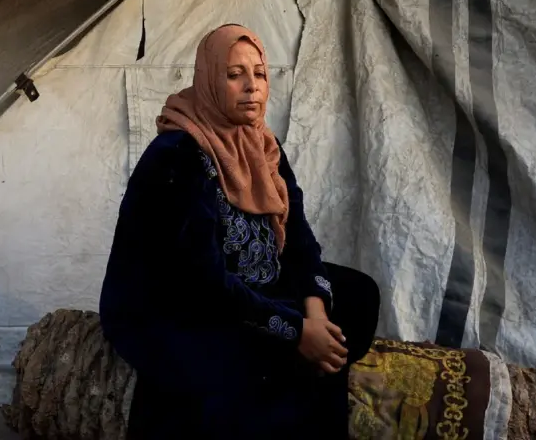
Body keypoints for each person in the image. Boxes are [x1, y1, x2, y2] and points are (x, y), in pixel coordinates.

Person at [99, 24, 381, 440]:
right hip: (176, 303)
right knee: (258, 357)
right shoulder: (177, 155)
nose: (252, 86)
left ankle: (308, 370)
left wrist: (316, 315)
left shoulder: (261, 144)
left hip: (246, 284)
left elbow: (299, 239)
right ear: (210, 80)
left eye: (260, 74)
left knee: (358, 294)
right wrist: (297, 331)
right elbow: (201, 281)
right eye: (234, 75)